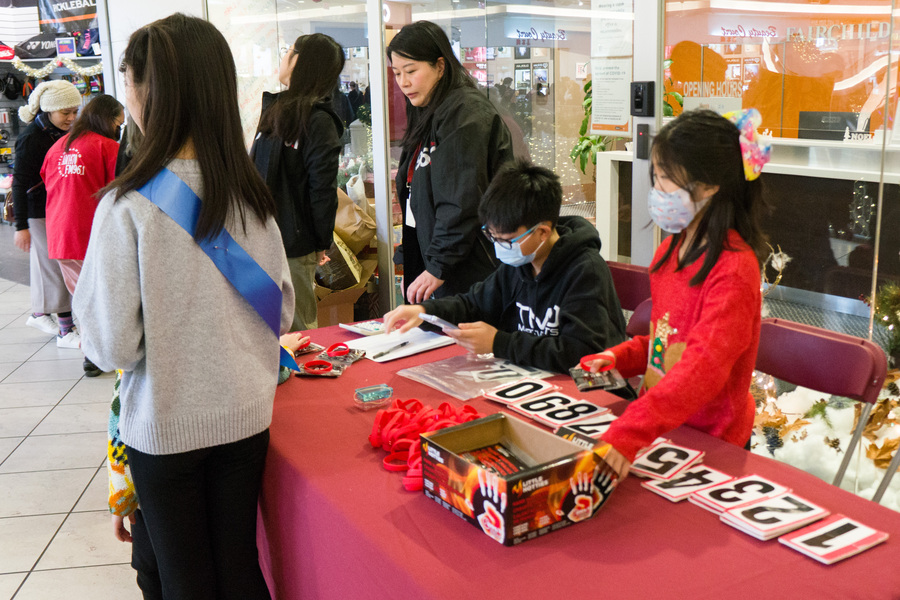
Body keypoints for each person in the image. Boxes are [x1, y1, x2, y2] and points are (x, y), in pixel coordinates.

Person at [73, 13, 293, 599]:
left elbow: (111, 343)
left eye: (130, 80)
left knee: (184, 579)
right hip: (248, 418)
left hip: (167, 428)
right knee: (240, 565)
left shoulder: (128, 208)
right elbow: (282, 314)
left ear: (152, 92)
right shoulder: (252, 198)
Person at [581, 108, 771, 481]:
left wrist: (630, 431)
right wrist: (620, 357)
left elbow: (703, 367)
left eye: (667, 179)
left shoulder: (734, 268)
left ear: (710, 186)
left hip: (712, 443)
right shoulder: (669, 252)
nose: (657, 191)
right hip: (665, 430)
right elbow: (668, 339)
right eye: (657, 177)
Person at [383, 160, 627, 374]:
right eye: (492, 237)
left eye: (506, 240)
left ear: (542, 232)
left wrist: (499, 343)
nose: (500, 248)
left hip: (586, 391)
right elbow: (472, 305)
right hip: (532, 380)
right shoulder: (520, 264)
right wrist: (424, 312)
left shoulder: (584, 270)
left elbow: (582, 353)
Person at [388, 20, 514, 303]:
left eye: (411, 71)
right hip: (442, 261)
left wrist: (438, 265)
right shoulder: (428, 111)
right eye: (397, 73)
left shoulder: (464, 113)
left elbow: (461, 199)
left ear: (440, 67)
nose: (403, 82)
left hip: (470, 266)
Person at [251, 33, 345, 331]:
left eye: (287, 51)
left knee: (299, 329)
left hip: (294, 242)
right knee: (267, 329)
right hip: (260, 238)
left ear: (300, 61)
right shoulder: (277, 110)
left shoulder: (318, 120)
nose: (282, 57)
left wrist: (320, 241)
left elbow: (322, 188)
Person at [41, 93, 124, 377]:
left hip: (61, 238)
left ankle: (92, 354)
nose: (119, 129)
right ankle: (103, 354)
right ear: (108, 120)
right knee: (103, 300)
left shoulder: (57, 147)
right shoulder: (108, 147)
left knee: (84, 301)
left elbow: (47, 181)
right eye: (118, 123)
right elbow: (121, 192)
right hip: (92, 238)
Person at [11, 79, 83, 348]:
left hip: (57, 207)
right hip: (38, 211)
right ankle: (66, 329)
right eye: (66, 113)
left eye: (75, 112)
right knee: (56, 265)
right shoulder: (31, 138)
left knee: (48, 264)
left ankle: (40, 313)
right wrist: (21, 226)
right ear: (50, 110)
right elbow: (19, 182)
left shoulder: (59, 133)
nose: (71, 118)